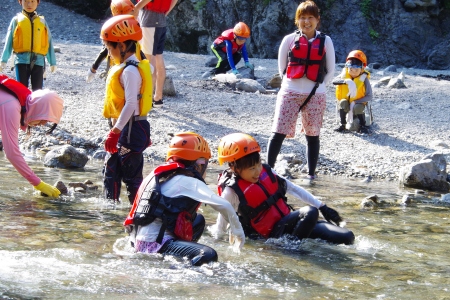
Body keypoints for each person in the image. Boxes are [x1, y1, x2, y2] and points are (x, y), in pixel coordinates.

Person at [123, 132, 245, 266]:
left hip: (137, 242)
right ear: (199, 165)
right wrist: (238, 232)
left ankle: (181, 257)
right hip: (157, 246)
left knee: (198, 220)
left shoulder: (160, 176)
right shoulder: (187, 181)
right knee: (208, 255)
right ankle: (180, 270)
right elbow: (225, 206)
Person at [211, 133, 354, 246]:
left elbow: (294, 189)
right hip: (273, 235)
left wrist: (323, 207)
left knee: (347, 237)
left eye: (258, 165)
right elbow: (221, 224)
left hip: (291, 225)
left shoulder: (266, 172)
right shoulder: (230, 192)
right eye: (251, 168)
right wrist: (216, 242)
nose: (257, 172)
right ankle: (288, 249)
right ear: (234, 168)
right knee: (310, 212)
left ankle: (292, 244)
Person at [266, 0, 335, 181]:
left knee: (313, 135)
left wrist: (320, 86)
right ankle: (268, 171)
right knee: (278, 132)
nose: (306, 21)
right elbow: (282, 69)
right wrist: (290, 85)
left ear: (317, 20)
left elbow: (331, 70)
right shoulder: (289, 40)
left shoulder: (326, 40)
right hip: (289, 92)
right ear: (297, 20)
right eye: (302, 18)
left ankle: (311, 175)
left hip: (316, 94)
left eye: (310, 17)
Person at [100, 15, 152, 204]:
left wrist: (115, 131)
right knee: (111, 170)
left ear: (121, 46)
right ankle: (110, 214)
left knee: (132, 177)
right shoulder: (125, 67)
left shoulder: (130, 71)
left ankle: (138, 216)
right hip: (128, 129)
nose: (109, 52)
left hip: (130, 130)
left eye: (109, 47)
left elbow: (131, 104)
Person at [0, 74, 63, 197]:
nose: (43, 124)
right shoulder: (11, 106)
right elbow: (12, 154)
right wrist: (38, 183)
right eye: (45, 118)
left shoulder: (21, 101)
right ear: (38, 108)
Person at [1, 0, 57, 91]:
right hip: (21, 60)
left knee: (38, 92)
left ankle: (36, 105)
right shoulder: (16, 20)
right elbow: (9, 41)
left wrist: (52, 62)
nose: (29, 4)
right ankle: (22, 106)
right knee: (21, 91)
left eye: (32, 1)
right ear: (20, 2)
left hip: (38, 61)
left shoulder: (42, 21)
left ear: (38, 2)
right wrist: (3, 60)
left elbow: (49, 41)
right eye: (26, 1)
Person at [86, 0, 147, 83]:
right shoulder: (115, 32)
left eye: (133, 11)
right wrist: (93, 68)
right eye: (130, 13)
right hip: (117, 66)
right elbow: (104, 52)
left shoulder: (131, 30)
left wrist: (146, 64)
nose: (134, 15)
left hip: (131, 66)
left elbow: (138, 49)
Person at [132, 0, 179, 108]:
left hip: (150, 22)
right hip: (161, 22)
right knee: (158, 57)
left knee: (149, 60)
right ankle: (158, 97)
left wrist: (136, 9)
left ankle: (147, 99)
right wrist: (165, 13)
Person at [334, 50, 372, 134]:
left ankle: (362, 126)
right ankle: (343, 125)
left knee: (357, 107)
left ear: (362, 68)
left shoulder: (364, 79)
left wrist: (355, 102)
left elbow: (369, 96)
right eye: (350, 67)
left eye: (356, 67)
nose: (352, 70)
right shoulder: (344, 76)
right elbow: (334, 81)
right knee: (343, 102)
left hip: (358, 104)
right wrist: (346, 81)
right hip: (346, 104)